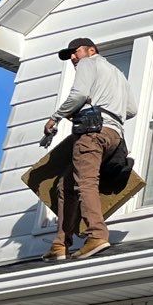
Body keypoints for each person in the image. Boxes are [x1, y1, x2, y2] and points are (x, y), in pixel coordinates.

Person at [42, 37, 136, 261]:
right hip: (114, 135)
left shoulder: (88, 63)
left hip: (92, 133)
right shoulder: (117, 74)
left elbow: (79, 94)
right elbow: (131, 109)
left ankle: (96, 235)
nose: (73, 58)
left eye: (76, 52)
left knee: (85, 183)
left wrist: (55, 118)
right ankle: (60, 243)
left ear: (91, 50)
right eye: (70, 55)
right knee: (66, 184)